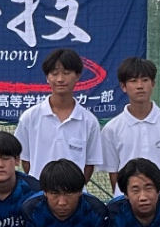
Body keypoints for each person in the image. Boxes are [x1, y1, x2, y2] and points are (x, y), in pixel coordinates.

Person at [99, 56, 160, 193]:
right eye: (133, 81)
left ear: (153, 83)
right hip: (126, 203)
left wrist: (158, 193)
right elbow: (113, 172)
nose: (140, 86)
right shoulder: (111, 129)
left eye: (145, 80)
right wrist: (127, 195)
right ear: (123, 86)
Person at [14, 48, 101, 181]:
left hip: (74, 196)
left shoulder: (89, 121)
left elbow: (89, 164)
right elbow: (26, 161)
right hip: (40, 194)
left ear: (78, 76)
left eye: (66, 73)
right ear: (47, 77)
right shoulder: (30, 117)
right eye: (54, 73)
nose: (60, 79)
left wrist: (73, 190)